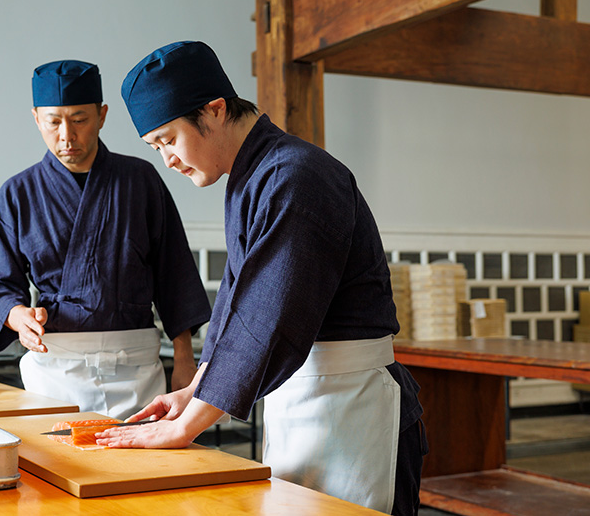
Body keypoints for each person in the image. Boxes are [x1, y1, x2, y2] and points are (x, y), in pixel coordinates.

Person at [96, 42, 427, 516]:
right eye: (156, 147)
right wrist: (193, 392)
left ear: (214, 110)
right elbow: (238, 304)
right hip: (308, 401)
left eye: (168, 139)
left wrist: (184, 427)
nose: (166, 160)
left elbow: (269, 318)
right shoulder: (250, 179)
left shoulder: (296, 174)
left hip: (354, 404)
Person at [0, 59, 211, 420]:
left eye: (80, 119)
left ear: (101, 115)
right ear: (36, 118)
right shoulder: (18, 193)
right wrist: (18, 316)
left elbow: (173, 274)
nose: (67, 135)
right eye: (53, 122)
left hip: (136, 364)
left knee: (140, 468)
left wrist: (184, 362)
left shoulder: (140, 180)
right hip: (56, 367)